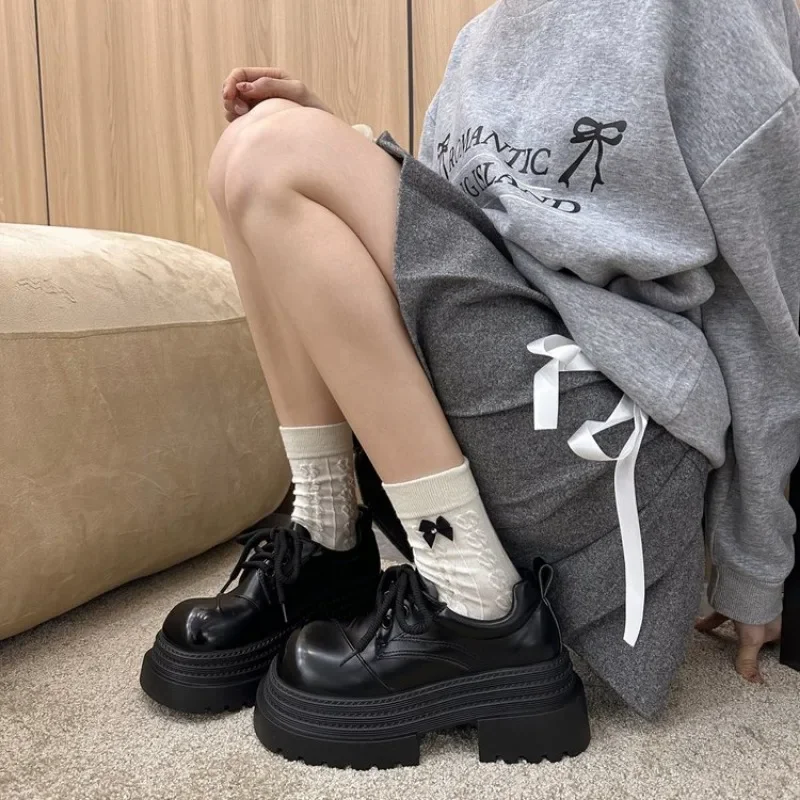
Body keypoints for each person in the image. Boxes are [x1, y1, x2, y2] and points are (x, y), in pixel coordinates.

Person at [140, 0, 800, 768]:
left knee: (273, 154)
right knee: (246, 152)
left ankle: (478, 608)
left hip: (614, 436)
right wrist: (333, 144)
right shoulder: (482, 36)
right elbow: (461, 242)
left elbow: (769, 313)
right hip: (515, 397)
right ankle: (327, 539)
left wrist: (755, 566)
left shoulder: (707, 13)